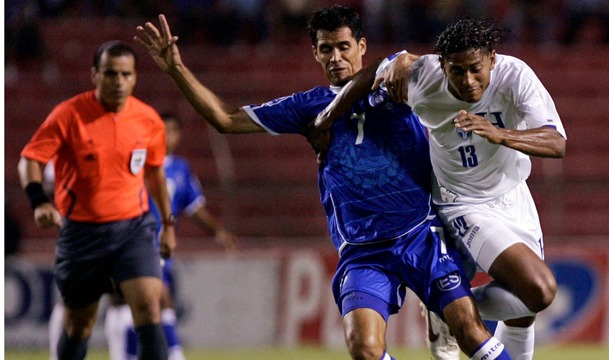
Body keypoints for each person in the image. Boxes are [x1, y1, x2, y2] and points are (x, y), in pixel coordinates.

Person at [134, 6, 511, 360]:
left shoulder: (395, 84)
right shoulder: (306, 107)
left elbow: (440, 69)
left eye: (344, 46)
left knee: (469, 329)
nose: (336, 57)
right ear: (315, 53)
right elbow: (227, 119)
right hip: (363, 252)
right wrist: (177, 69)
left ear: (361, 47)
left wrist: (402, 59)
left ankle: (443, 318)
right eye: (325, 48)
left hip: (420, 236)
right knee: (363, 348)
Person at [314, 17, 567, 360]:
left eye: (476, 68)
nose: (468, 80)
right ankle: (450, 308)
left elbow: (555, 142)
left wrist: (499, 133)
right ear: (441, 66)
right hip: (462, 201)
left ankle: (444, 309)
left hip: (513, 194)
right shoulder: (423, 76)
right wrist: (329, 116)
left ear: (492, 59)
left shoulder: (515, 76)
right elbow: (373, 73)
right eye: (457, 71)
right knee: (539, 289)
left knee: (524, 310)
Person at [18, 40, 174, 360]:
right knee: (79, 323)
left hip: (133, 227)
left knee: (148, 307)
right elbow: (29, 160)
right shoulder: (69, 115)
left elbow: (155, 174)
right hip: (82, 234)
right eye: (110, 74)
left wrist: (168, 224)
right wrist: (39, 202)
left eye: (125, 74)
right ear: (94, 76)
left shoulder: (148, 120)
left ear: (135, 78)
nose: (118, 82)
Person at [104, 112, 240, 360]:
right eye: (162, 131)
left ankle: (137, 354)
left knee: (151, 302)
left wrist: (217, 231)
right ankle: (167, 355)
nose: (167, 136)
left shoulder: (180, 168)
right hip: (133, 241)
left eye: (172, 131)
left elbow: (194, 206)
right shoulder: (137, 163)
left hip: (162, 246)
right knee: (147, 298)